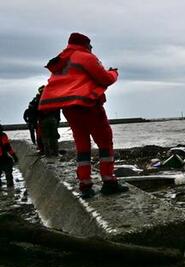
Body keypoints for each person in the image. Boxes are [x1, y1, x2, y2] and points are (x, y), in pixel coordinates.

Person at [38, 32, 128, 198]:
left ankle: (85, 186)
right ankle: (109, 182)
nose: (91, 49)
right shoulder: (84, 56)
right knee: (105, 142)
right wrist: (114, 73)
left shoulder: (62, 60)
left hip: (70, 108)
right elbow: (105, 79)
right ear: (86, 44)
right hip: (89, 106)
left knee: (82, 146)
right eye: (90, 46)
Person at [0, 124, 18, 188]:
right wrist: (14, 156)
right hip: (3, 158)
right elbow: (8, 147)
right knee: (8, 175)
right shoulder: (2, 135)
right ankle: (10, 190)